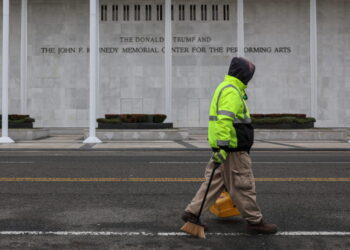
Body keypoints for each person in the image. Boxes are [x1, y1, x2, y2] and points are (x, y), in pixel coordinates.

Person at [181, 57, 278, 234]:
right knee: (243, 184)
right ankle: (255, 221)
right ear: (244, 74)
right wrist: (224, 147)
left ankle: (192, 212)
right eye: (249, 74)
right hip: (233, 150)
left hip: (224, 149)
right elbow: (225, 120)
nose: (250, 78)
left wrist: (220, 148)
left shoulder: (225, 87)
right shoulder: (232, 91)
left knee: (213, 183)